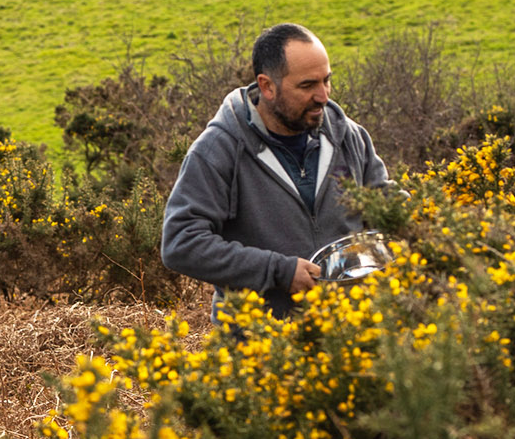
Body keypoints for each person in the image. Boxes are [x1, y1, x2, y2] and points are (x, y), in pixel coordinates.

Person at [160, 22, 391, 316]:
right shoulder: (220, 149)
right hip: (260, 345)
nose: (323, 96)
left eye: (326, 81)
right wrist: (277, 270)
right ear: (267, 86)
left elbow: (388, 210)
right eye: (307, 85)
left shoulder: (350, 138)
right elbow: (181, 243)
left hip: (351, 338)